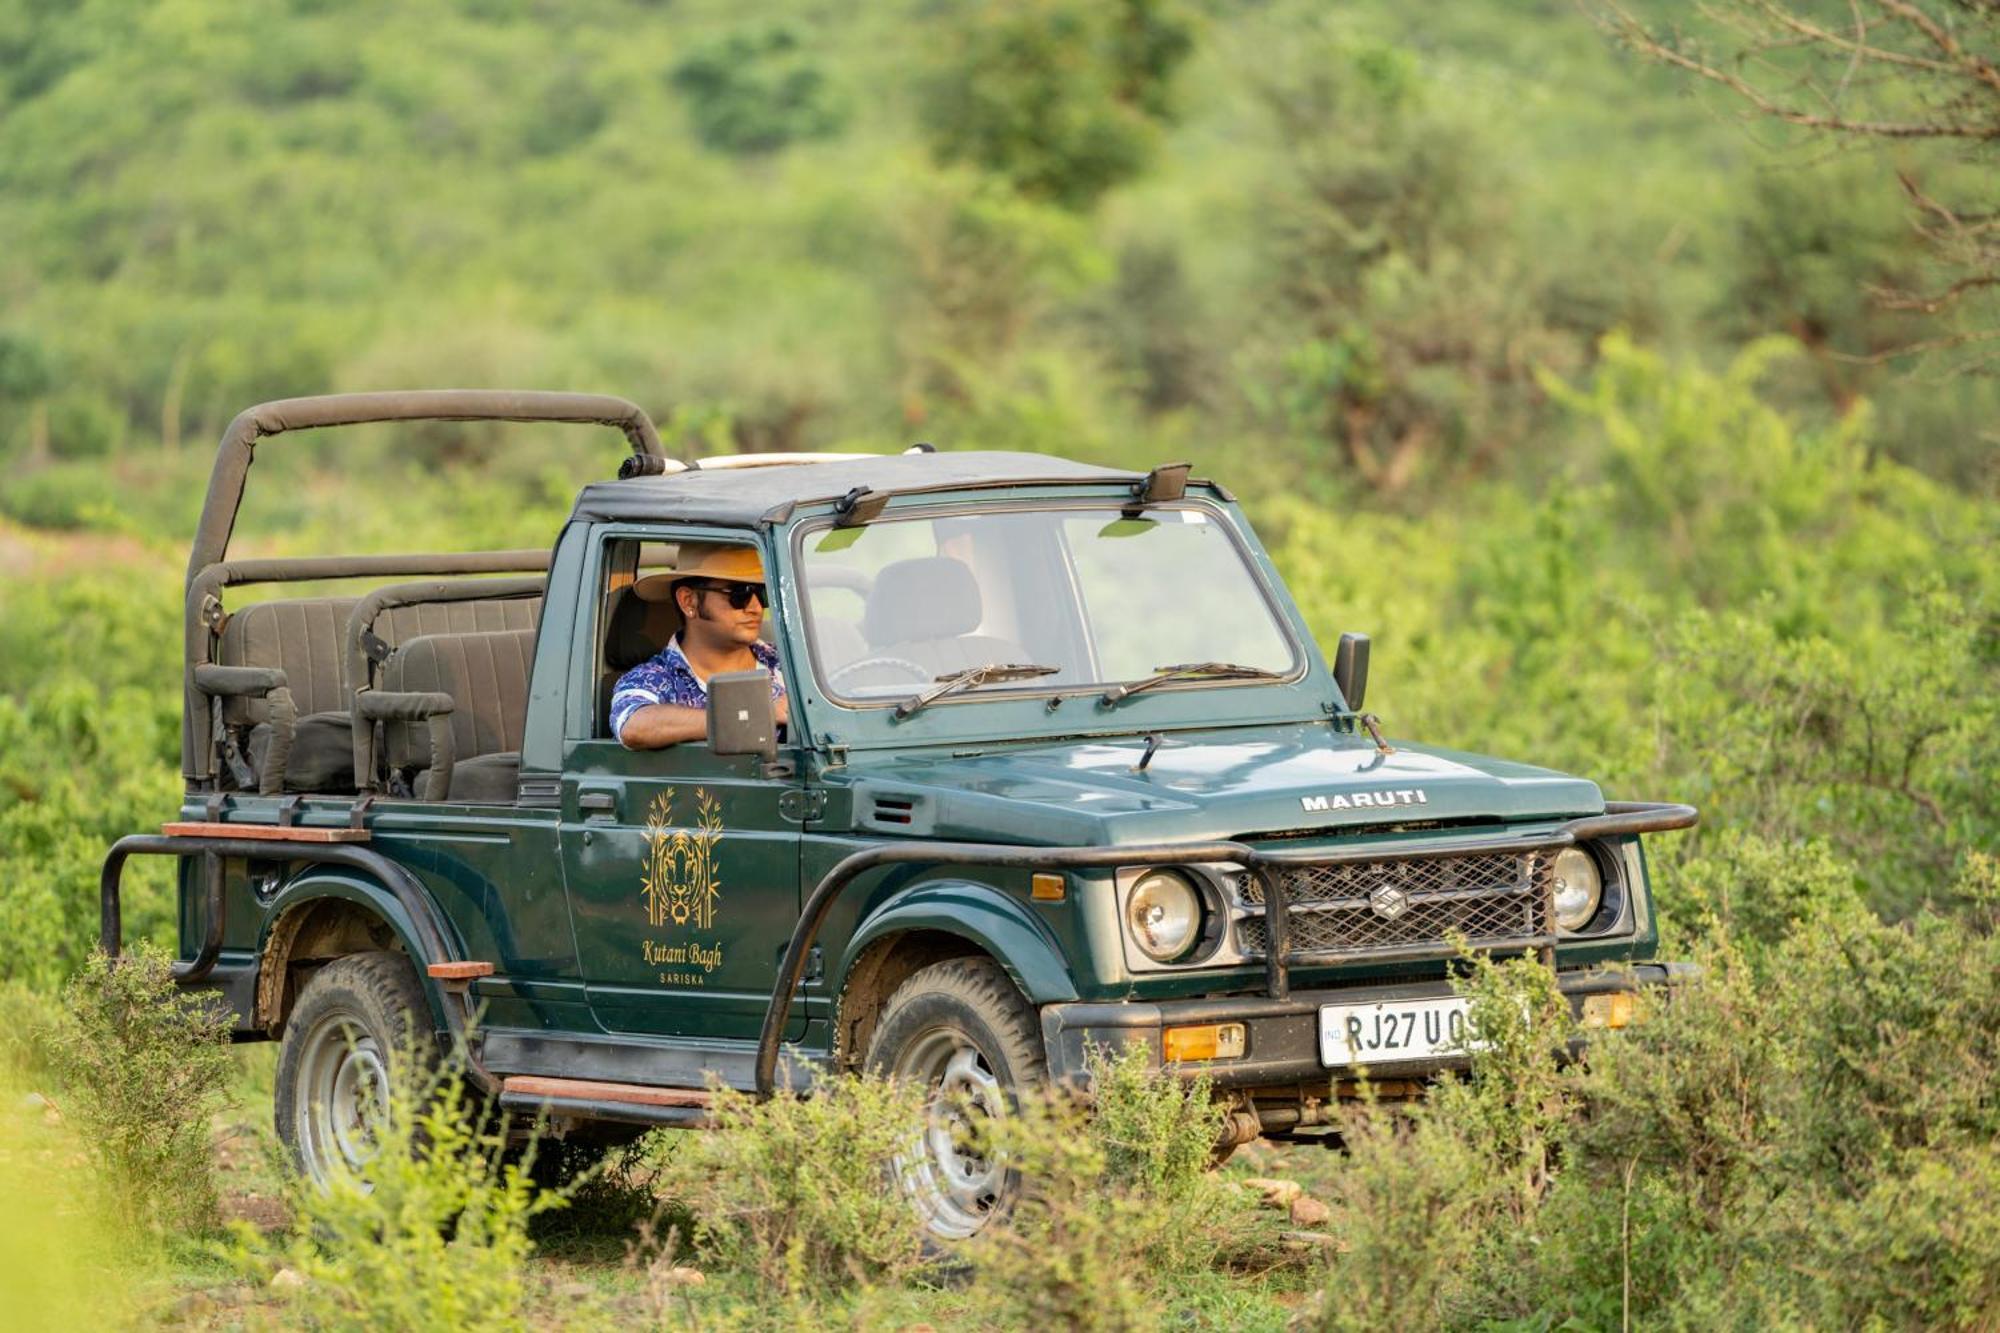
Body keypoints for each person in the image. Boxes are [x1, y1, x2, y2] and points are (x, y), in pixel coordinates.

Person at [609, 544, 788, 748]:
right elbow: (633, 726)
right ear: (688, 601)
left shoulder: (791, 665)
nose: (756, 607)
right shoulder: (655, 678)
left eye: (762, 593)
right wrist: (755, 715)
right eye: (740, 594)